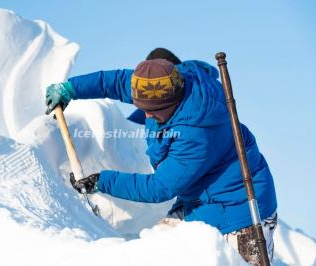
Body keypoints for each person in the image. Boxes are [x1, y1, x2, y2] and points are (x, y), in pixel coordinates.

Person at [45, 48, 277, 265]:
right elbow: (113, 82)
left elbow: (159, 188)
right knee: (155, 252)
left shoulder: (197, 133)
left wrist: (101, 180)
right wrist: (70, 89)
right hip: (198, 199)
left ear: (171, 103)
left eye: (153, 111)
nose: (145, 114)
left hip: (239, 212)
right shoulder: (157, 85)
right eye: (140, 105)